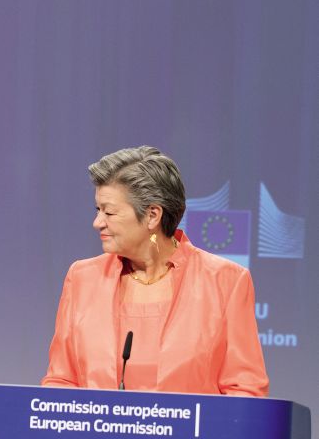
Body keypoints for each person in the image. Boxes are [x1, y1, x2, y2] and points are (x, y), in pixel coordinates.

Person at [41, 146, 268, 396]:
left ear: (152, 215)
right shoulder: (82, 278)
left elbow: (245, 391)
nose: (98, 222)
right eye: (98, 210)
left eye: (109, 212)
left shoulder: (226, 281)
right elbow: (60, 382)